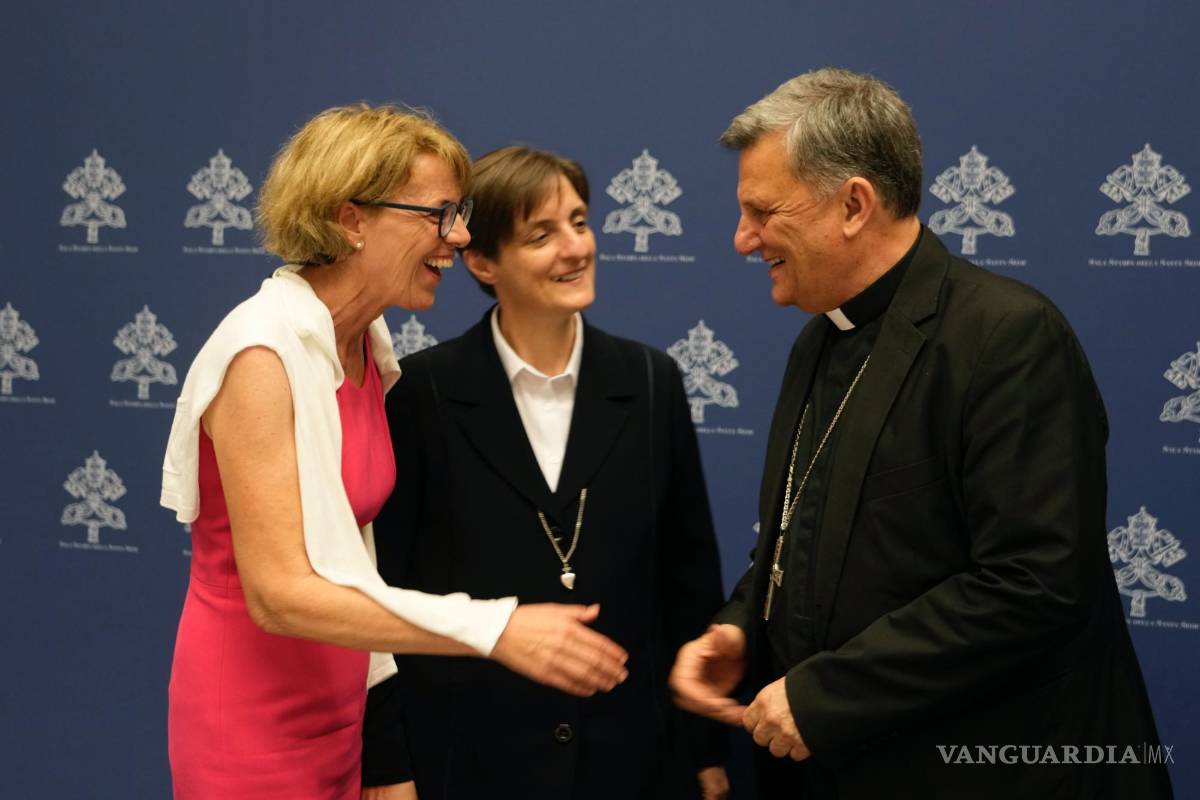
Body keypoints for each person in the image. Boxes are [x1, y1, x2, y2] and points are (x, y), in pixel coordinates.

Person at [669, 69, 1173, 799]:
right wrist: (744, 626)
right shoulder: (817, 340)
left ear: (853, 204)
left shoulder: (1006, 337)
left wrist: (825, 695)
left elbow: (1034, 584)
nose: (743, 240)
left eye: (762, 212)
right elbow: (805, 535)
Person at [161, 106, 628, 800]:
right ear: (352, 221)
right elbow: (281, 593)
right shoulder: (260, 353)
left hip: (341, 712)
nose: (461, 235)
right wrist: (494, 627)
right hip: (250, 726)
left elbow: (356, 564)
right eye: (439, 214)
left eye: (460, 212)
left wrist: (385, 755)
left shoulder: (368, 350)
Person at [360, 146, 730, 799]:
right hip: (470, 760)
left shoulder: (651, 382)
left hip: (632, 765)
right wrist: (390, 767)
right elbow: (384, 597)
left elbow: (688, 583)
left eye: (580, 222)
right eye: (542, 234)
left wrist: (704, 754)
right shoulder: (422, 394)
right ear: (481, 261)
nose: (575, 248)